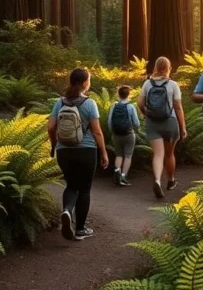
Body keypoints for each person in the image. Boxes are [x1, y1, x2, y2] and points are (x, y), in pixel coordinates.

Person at [47, 68, 109, 241]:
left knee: (71, 185)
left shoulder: (60, 102)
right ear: (84, 83)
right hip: (87, 150)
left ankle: (67, 210)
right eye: (89, 80)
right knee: (85, 188)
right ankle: (80, 229)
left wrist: (54, 146)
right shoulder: (89, 103)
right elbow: (97, 132)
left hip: (64, 151)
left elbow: (51, 127)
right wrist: (104, 152)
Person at [138, 57, 187, 199]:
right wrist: (183, 127)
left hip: (153, 123)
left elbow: (140, 103)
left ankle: (158, 180)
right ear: (168, 68)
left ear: (155, 67)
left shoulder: (147, 84)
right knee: (169, 154)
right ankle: (171, 180)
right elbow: (178, 108)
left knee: (158, 154)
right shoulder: (173, 85)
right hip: (170, 122)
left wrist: (147, 114)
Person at [107, 85, 140, 186]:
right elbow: (136, 123)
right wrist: (136, 130)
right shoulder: (131, 107)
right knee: (128, 155)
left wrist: (112, 131)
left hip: (116, 134)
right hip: (128, 134)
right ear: (129, 94)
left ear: (118, 94)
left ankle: (117, 171)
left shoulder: (114, 106)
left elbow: (109, 121)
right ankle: (124, 176)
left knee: (119, 154)